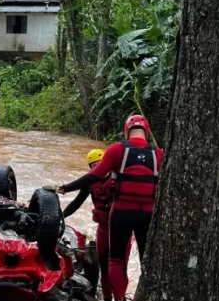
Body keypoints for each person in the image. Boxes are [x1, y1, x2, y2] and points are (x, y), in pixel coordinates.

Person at [56, 115, 162, 301]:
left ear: (125, 130)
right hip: (147, 215)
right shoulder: (159, 154)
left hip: (121, 213)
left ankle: (118, 298)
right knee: (147, 260)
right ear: (147, 130)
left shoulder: (116, 151)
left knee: (115, 260)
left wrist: (65, 188)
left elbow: (93, 176)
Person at [61, 149, 132, 301]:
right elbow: (77, 202)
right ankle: (107, 297)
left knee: (121, 267)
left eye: (101, 164)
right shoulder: (90, 184)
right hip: (103, 229)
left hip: (121, 230)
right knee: (104, 267)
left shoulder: (119, 179)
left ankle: (121, 297)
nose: (99, 168)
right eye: (94, 166)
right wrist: (61, 216)